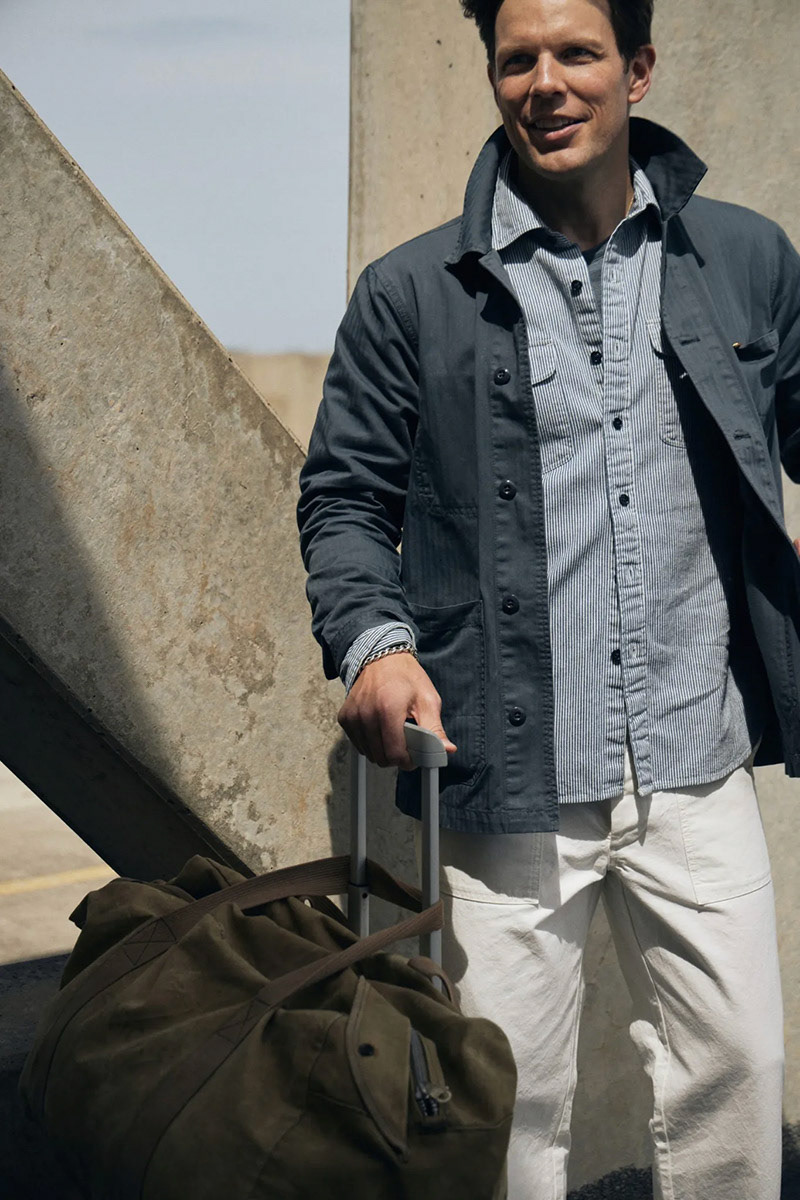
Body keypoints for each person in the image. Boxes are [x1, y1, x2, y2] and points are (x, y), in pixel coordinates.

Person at [297, 0, 800, 1195]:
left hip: (694, 757)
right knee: (507, 1115)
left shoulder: (743, 258)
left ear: (636, 68)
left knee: (738, 1077)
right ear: (491, 76)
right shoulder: (410, 292)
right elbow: (345, 497)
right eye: (515, 58)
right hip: (508, 774)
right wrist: (373, 646)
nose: (545, 83)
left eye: (576, 53)